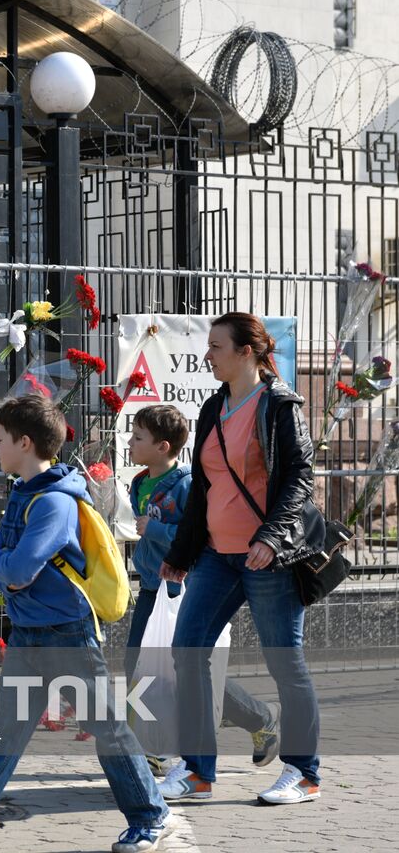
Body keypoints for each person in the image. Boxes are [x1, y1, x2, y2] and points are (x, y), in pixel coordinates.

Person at [0, 396, 174, 853]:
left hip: (67, 632)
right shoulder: (24, 492)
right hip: (32, 630)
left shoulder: (53, 502)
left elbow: (19, 567)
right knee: (3, 730)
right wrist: (2, 564)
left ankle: (150, 816)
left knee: (107, 728)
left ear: (24, 442)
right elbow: (8, 563)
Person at [158, 312, 322, 806]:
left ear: (246, 352)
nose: (208, 355)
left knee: (284, 664)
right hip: (215, 556)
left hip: (266, 559)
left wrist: (271, 538)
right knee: (187, 653)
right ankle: (197, 772)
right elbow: (205, 488)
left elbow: (298, 478)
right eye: (208, 346)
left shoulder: (280, 406)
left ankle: (303, 772)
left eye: (216, 347)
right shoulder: (213, 407)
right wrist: (182, 554)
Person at [123, 405, 279, 779]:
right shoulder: (140, 483)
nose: (130, 442)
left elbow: (200, 535)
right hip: (150, 586)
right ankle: (154, 744)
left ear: (162, 447)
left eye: (138, 437)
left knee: (186, 670)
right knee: (139, 666)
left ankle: (260, 718)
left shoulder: (188, 484)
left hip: (181, 588)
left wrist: (155, 531)